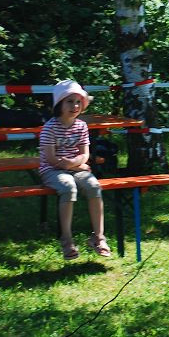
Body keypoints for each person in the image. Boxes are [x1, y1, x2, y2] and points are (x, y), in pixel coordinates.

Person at [39, 80, 110, 260]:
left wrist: (73, 164)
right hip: (52, 170)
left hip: (74, 167)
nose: (75, 106)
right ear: (59, 104)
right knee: (68, 187)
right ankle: (66, 239)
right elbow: (52, 159)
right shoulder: (49, 127)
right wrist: (76, 164)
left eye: (78, 102)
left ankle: (98, 237)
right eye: (69, 102)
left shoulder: (81, 126)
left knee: (94, 186)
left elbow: (85, 154)